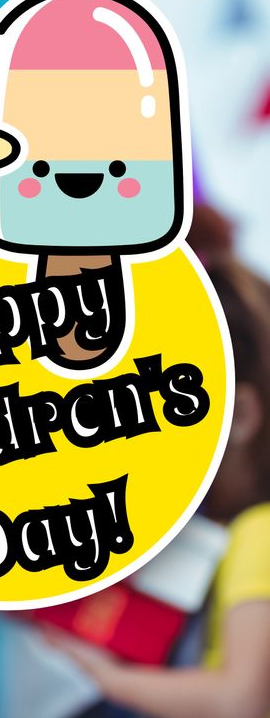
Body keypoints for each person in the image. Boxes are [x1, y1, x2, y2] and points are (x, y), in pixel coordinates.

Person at [50, 204, 270, 717]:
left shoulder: (260, 533)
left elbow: (242, 702)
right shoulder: (223, 530)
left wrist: (113, 680)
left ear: (238, 416)